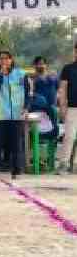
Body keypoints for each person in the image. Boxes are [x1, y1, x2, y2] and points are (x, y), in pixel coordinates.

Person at [0, 50, 31, 180]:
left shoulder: (21, 74)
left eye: (6, 58)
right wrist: (1, 75)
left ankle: (16, 171)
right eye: (1, 59)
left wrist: (26, 107)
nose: (4, 61)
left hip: (16, 114)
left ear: (11, 60)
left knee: (16, 144)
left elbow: (28, 93)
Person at [57, 43, 77, 173]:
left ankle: (74, 164)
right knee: (69, 136)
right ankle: (63, 163)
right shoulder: (68, 68)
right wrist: (62, 107)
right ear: (75, 51)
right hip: (71, 108)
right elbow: (63, 89)